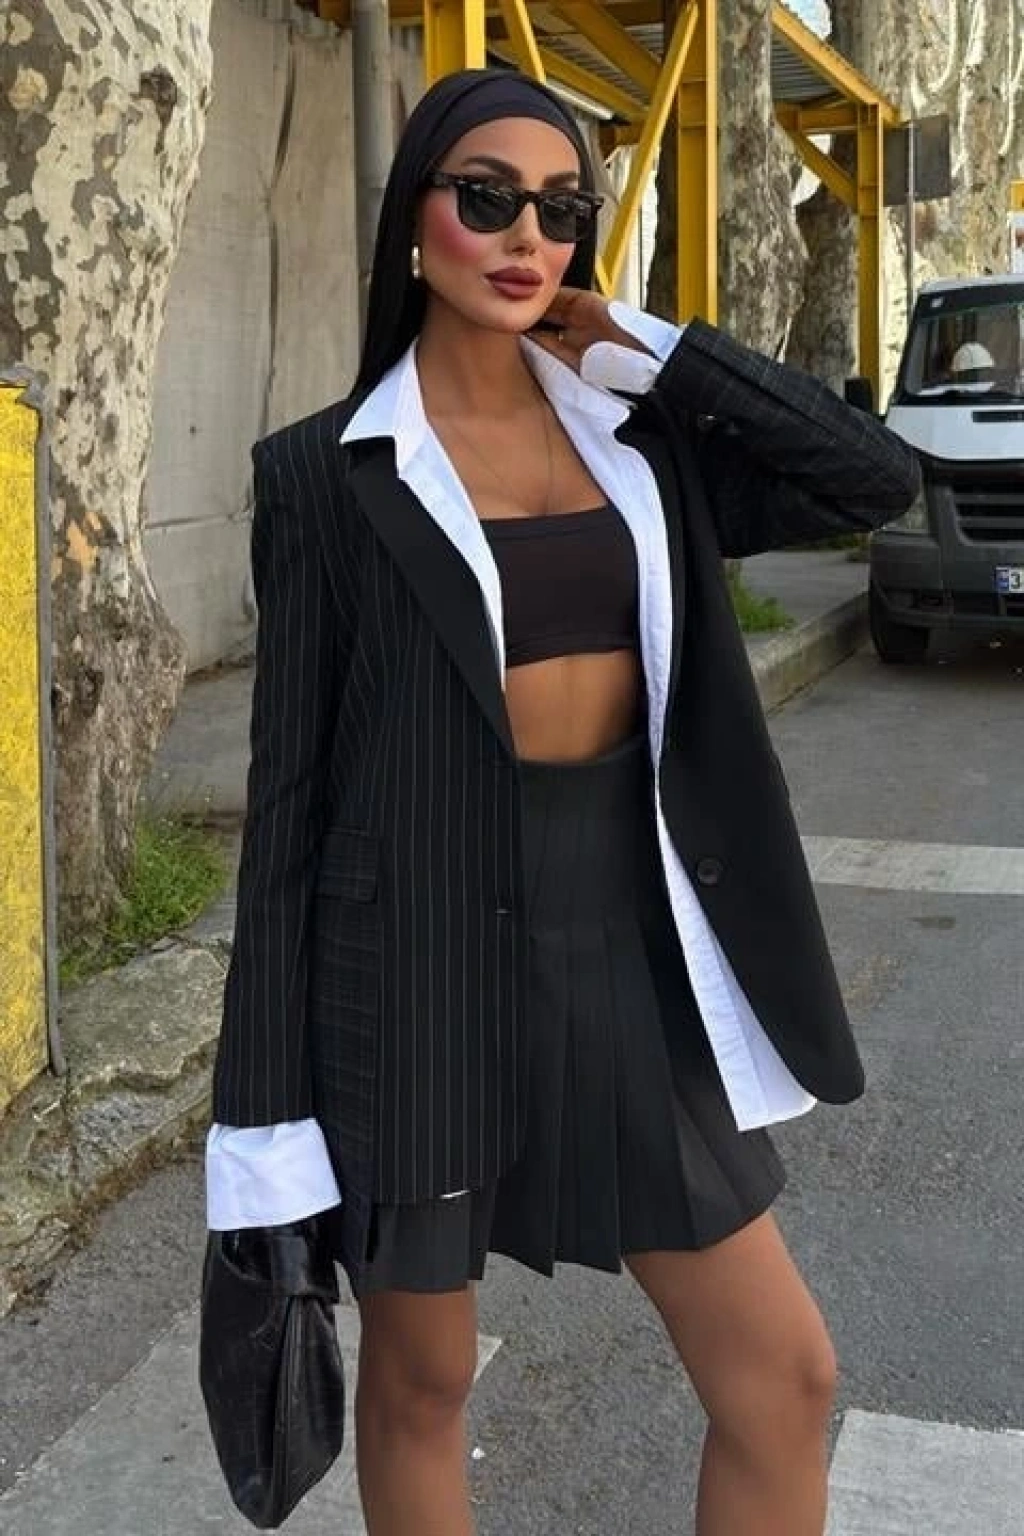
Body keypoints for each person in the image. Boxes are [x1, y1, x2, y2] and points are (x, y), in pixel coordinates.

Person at [205, 68, 919, 1536]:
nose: (526, 235)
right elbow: (286, 823)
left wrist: (650, 344)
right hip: (412, 971)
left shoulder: (641, 437)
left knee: (782, 1378)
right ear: (416, 225)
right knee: (423, 1384)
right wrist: (260, 1133)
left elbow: (871, 478)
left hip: (629, 945)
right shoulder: (325, 477)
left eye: (560, 207)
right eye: (486, 199)